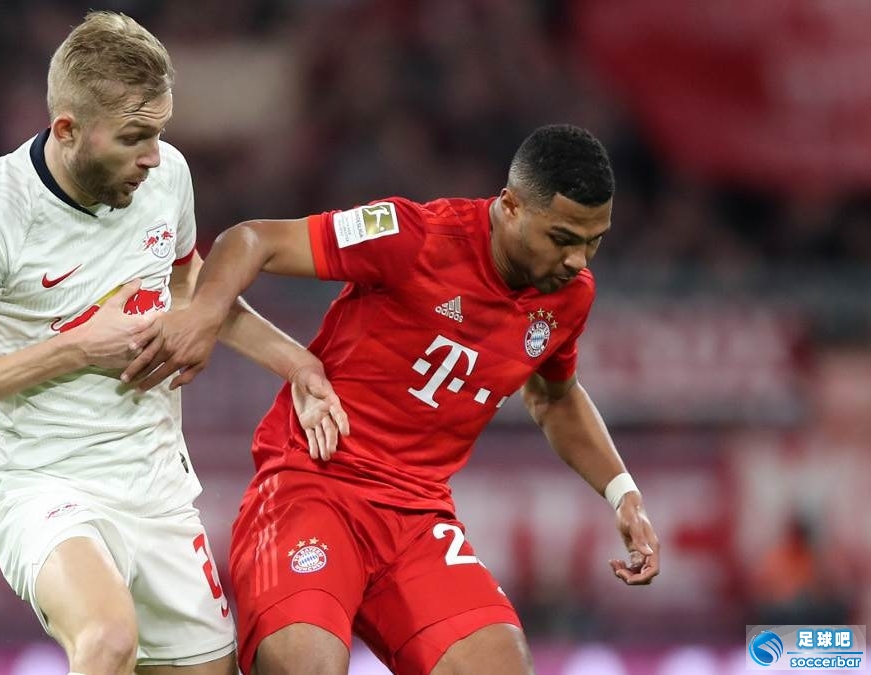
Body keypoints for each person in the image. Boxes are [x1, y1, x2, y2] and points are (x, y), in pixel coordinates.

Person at [123, 124, 661, 675]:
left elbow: (555, 398)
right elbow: (251, 240)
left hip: (418, 517)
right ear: (510, 207)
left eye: (594, 241)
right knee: (305, 668)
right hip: (314, 486)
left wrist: (623, 493)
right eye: (563, 238)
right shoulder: (413, 235)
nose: (579, 261)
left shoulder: (568, 298)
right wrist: (204, 315)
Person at [0, 12, 346, 675]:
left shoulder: (167, 177)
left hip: (158, 489)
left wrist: (298, 364)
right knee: (108, 640)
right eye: (135, 137)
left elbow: (193, 290)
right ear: (67, 130)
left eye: (160, 133)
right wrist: (78, 348)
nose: (153, 156)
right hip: (48, 485)